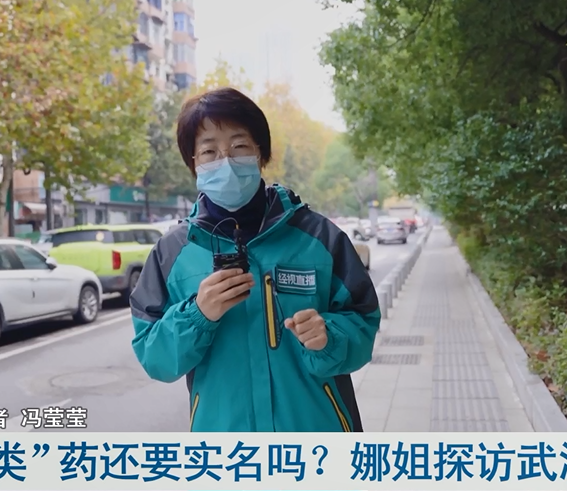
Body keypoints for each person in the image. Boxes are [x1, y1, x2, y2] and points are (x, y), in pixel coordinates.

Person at [129, 87, 380, 432]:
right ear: (194, 163)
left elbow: (364, 321)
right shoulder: (172, 253)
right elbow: (154, 356)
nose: (226, 161)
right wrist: (198, 315)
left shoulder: (319, 238)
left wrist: (329, 337)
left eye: (239, 146)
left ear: (260, 153)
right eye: (209, 151)